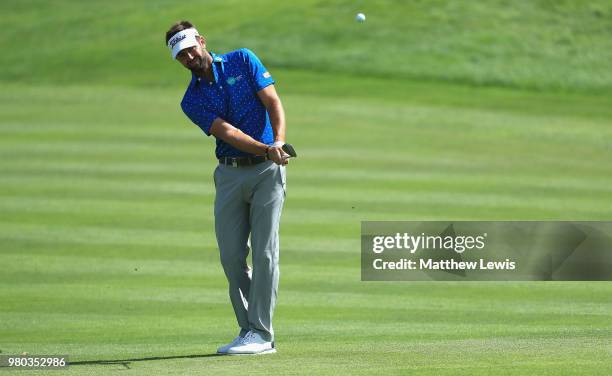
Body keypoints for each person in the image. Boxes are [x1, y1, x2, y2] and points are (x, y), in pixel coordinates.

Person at [165, 20, 289, 355]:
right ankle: (249, 329)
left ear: (201, 41)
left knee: (265, 252)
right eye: (181, 56)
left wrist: (277, 141)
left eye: (190, 48)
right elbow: (227, 133)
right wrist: (265, 148)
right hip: (230, 173)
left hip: (267, 172)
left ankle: (261, 333)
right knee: (232, 257)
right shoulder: (191, 100)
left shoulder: (242, 60)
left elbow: (273, 102)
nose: (188, 57)